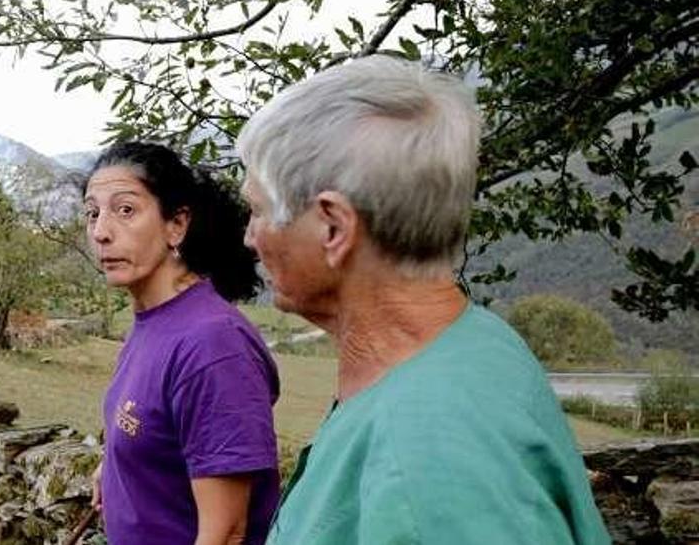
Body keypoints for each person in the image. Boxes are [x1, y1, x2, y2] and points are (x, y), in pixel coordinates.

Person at [235, 55, 610, 544]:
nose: (249, 237)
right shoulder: (472, 342)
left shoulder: (429, 462)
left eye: (258, 211)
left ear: (333, 227)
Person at [84, 142, 280, 545]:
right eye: (93, 213)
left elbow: (225, 533)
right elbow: (161, 430)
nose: (101, 232)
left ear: (176, 225)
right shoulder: (153, 322)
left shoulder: (211, 344)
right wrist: (118, 464)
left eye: (125, 210)